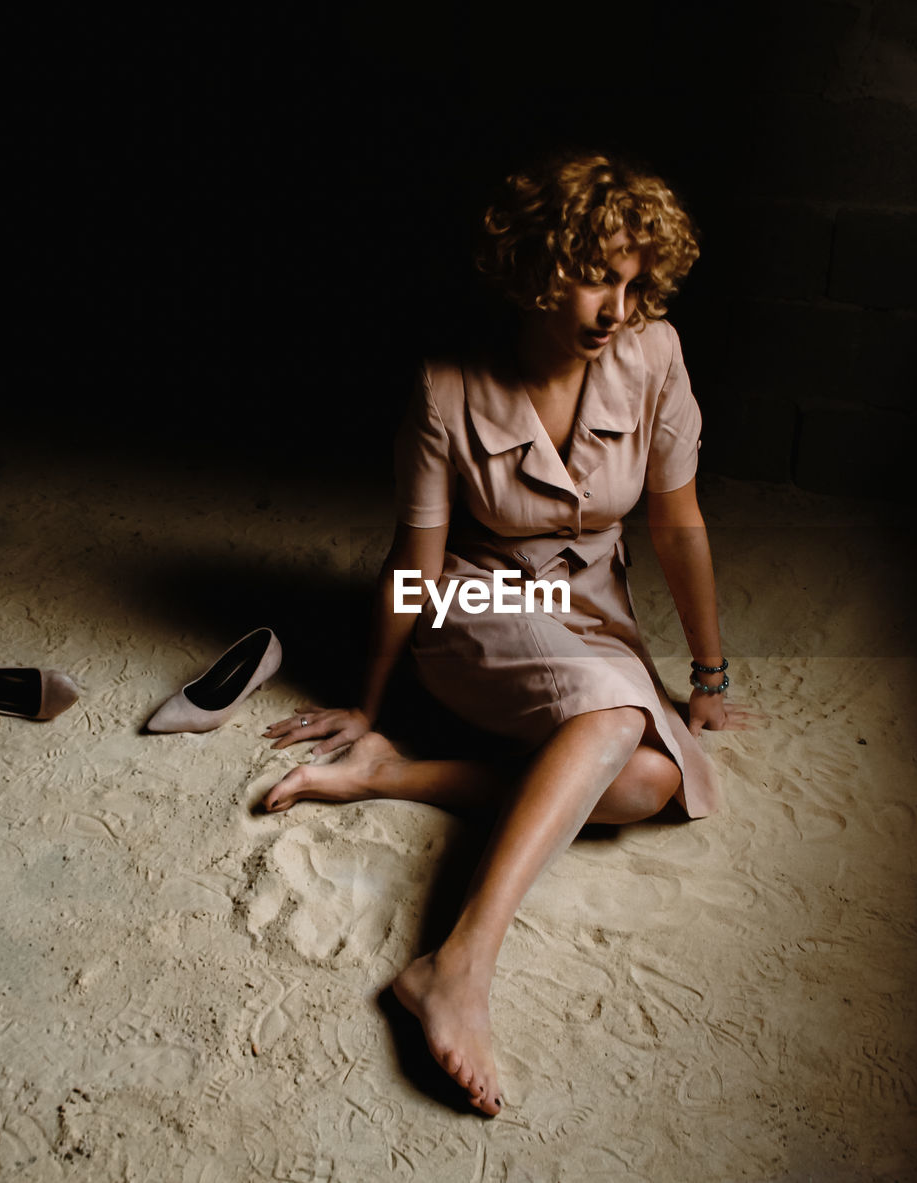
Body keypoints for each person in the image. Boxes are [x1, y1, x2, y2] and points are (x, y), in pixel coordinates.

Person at [259, 153, 748, 1116]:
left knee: (652, 781)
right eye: (597, 276)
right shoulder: (448, 386)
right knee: (613, 722)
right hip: (472, 603)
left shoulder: (655, 354)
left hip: (592, 609)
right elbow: (415, 559)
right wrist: (370, 694)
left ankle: (392, 775)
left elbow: (675, 521)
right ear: (535, 265)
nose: (618, 305)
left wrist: (709, 670)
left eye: (635, 281)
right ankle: (459, 965)